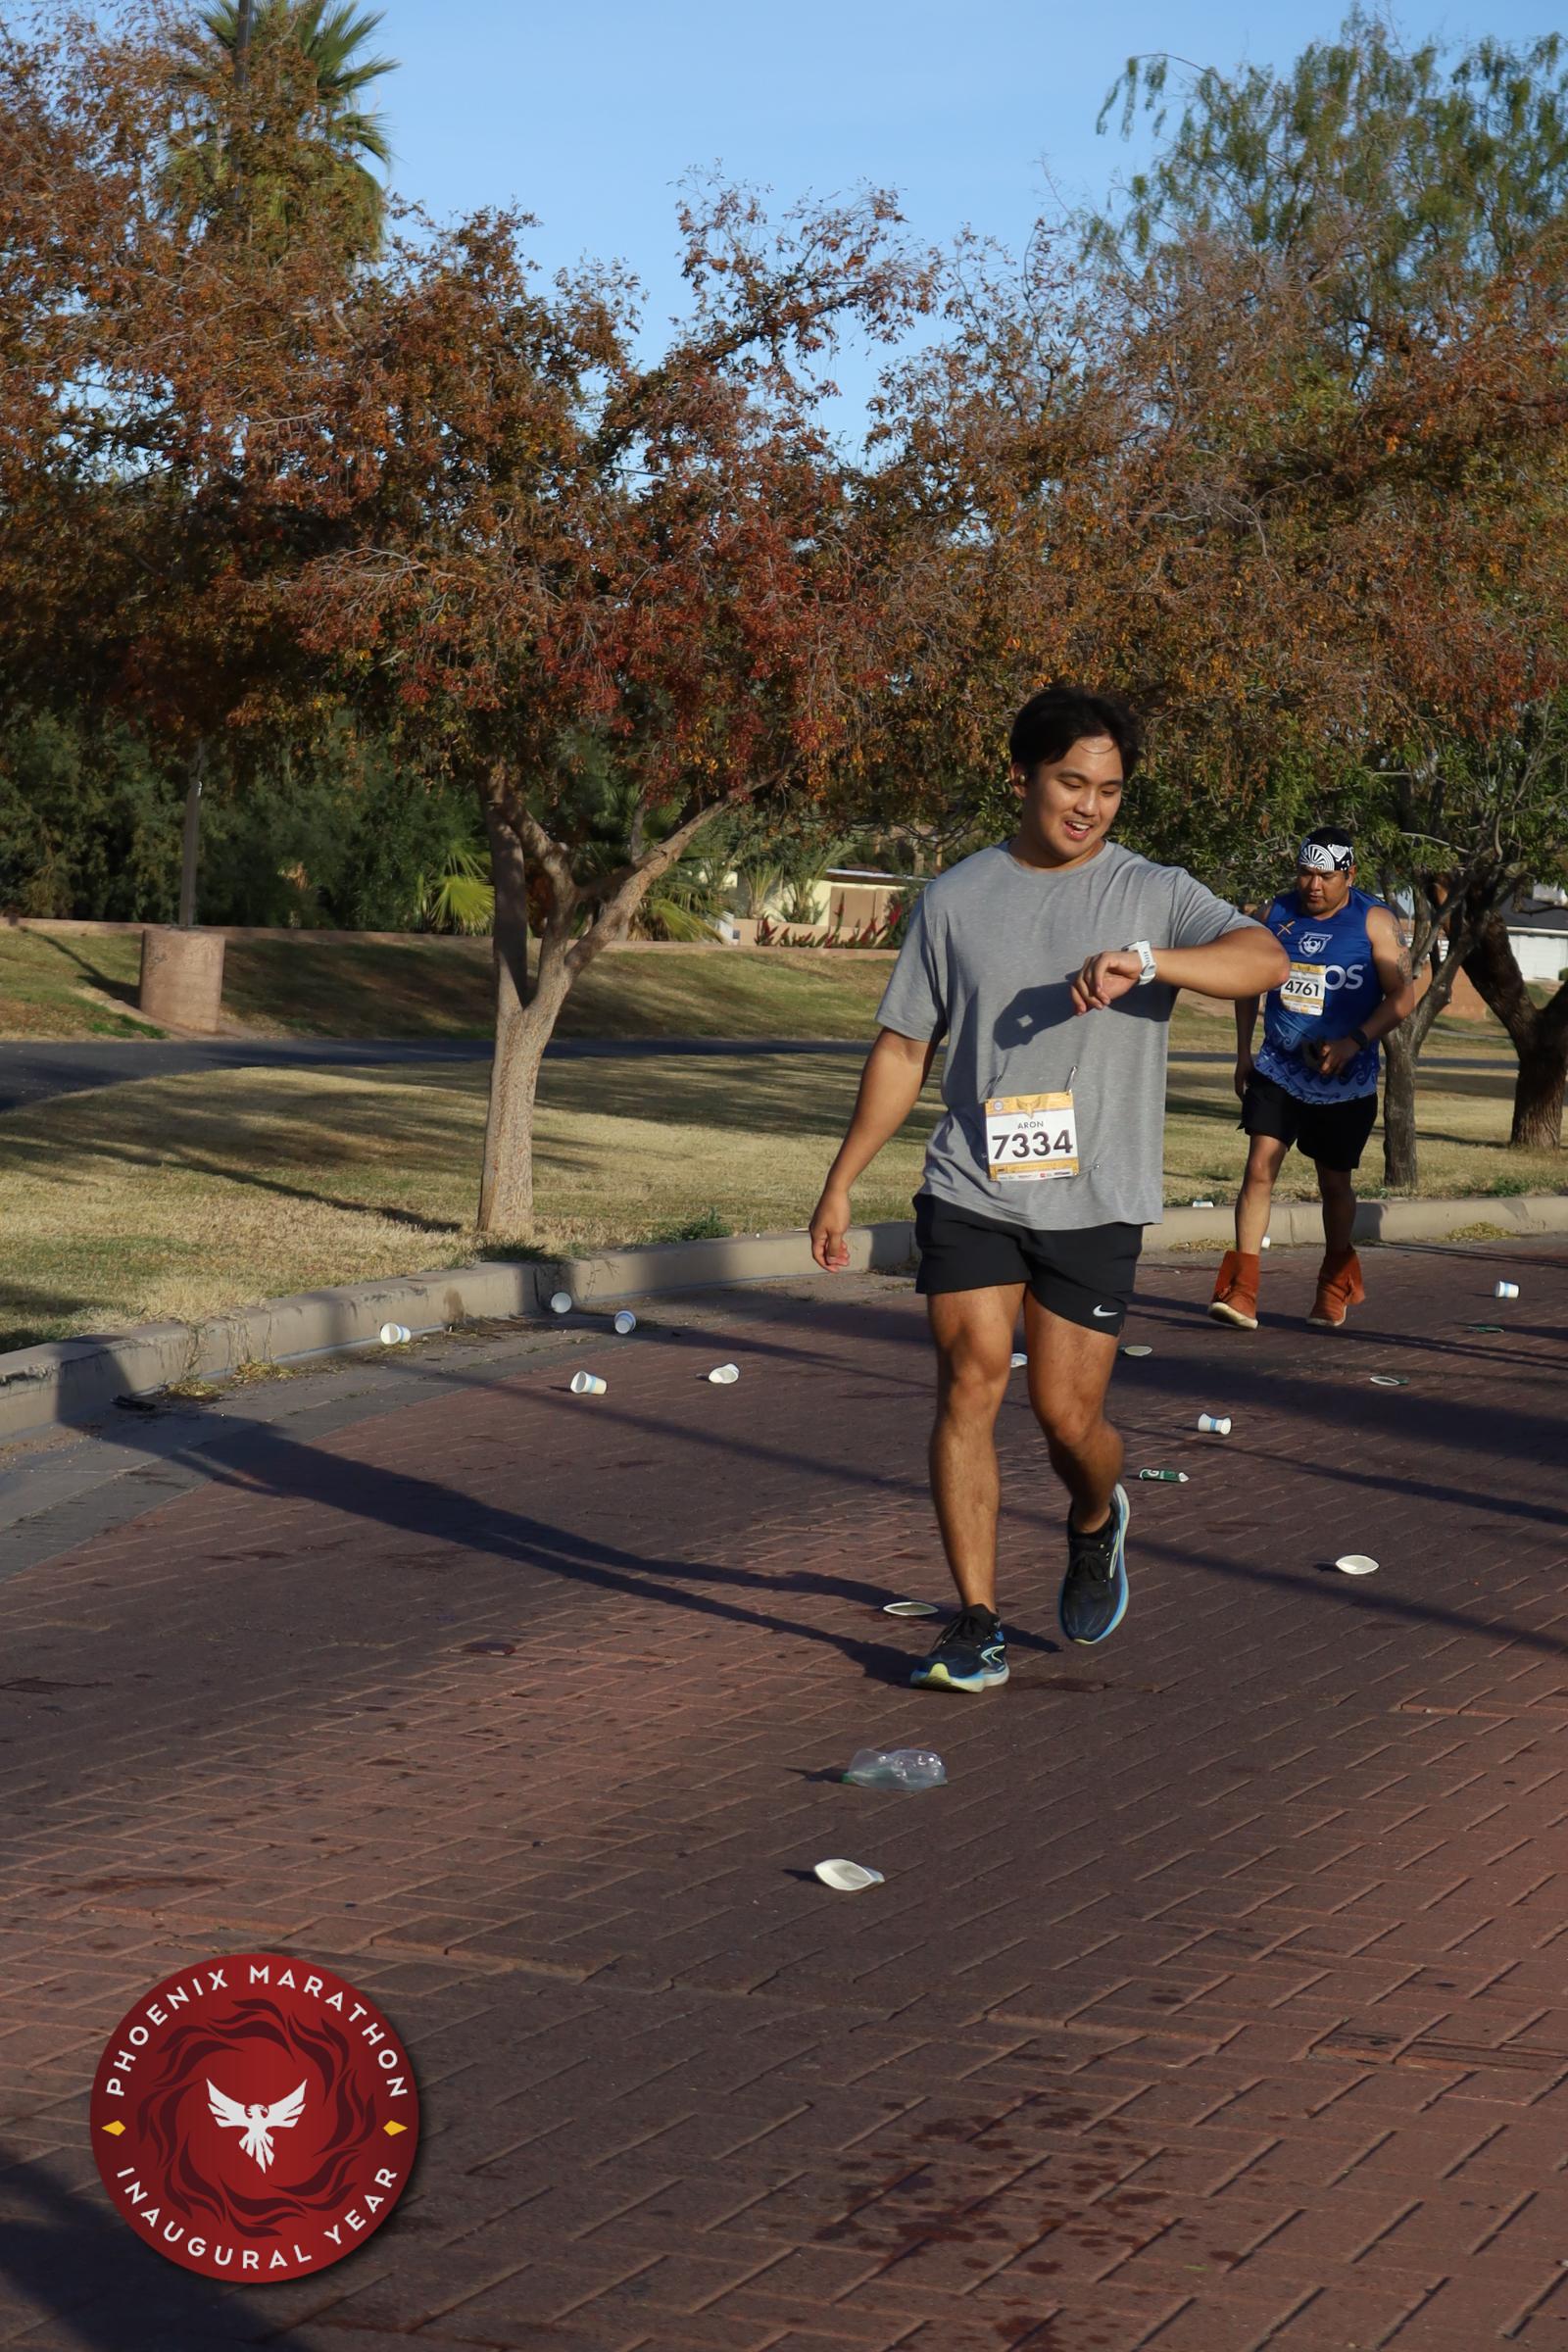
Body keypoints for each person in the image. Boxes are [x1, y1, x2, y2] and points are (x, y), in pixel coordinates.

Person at [808, 685, 1288, 1692]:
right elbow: (904, 1049)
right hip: (972, 1181)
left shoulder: (1152, 889)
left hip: (1097, 1195)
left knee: (1067, 1421)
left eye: (1109, 790)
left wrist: (1149, 962)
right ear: (1020, 774)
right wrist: (841, 1181)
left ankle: (1095, 1514)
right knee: (970, 1377)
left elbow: (1263, 959)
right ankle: (975, 1621)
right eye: (1072, 783)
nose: (1089, 806)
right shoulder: (954, 899)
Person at [1210, 830, 1414, 1334]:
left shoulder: (1375, 921)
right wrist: (1243, 1051)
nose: (1314, 885)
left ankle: (1335, 1279)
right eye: (1306, 873)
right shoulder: (1274, 914)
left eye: (1326, 876)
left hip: (1345, 1077)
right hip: (1279, 1067)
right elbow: (1246, 980)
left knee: (1333, 1182)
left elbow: (1403, 997)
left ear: (1350, 875)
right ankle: (1241, 1289)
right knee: (1260, 1166)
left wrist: (1354, 1042)